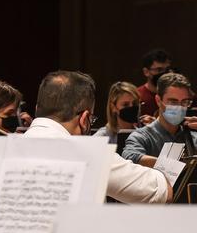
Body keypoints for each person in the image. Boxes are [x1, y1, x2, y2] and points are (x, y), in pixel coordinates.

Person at [25, 70, 170, 203]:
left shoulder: (7, 146)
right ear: (84, 118)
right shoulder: (86, 153)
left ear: (38, 109)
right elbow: (162, 191)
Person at [122, 72, 197, 167]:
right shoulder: (142, 136)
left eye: (185, 102)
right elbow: (130, 157)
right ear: (158, 101)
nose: (179, 107)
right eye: (173, 101)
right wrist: (178, 165)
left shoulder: (196, 138)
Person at [135, 48, 172, 119]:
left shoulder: (179, 95)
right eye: (159, 70)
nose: (164, 73)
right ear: (146, 72)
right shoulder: (137, 97)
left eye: (167, 69)